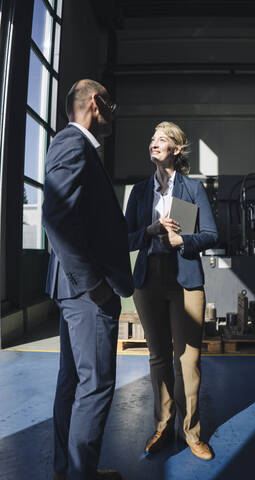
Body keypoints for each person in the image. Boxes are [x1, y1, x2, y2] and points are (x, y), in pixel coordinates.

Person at [42, 79, 134, 480]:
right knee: (94, 387)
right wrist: (94, 286)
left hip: (73, 289)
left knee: (73, 382)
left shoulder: (76, 147)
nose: (114, 114)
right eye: (110, 105)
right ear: (96, 103)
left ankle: (73, 472)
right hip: (86, 292)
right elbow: (56, 217)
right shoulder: (74, 143)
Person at [125, 121, 218, 460]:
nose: (154, 142)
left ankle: (191, 432)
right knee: (158, 357)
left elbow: (211, 234)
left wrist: (184, 240)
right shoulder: (138, 191)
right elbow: (125, 238)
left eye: (162, 139)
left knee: (189, 360)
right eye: (152, 138)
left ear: (177, 149)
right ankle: (163, 425)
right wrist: (149, 231)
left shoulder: (193, 189)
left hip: (185, 279)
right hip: (148, 279)